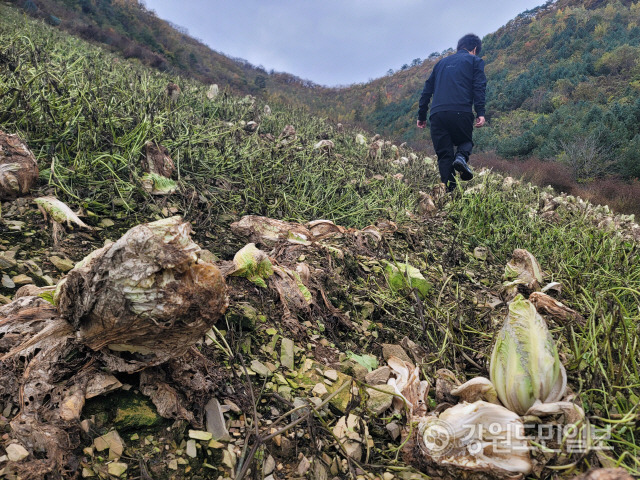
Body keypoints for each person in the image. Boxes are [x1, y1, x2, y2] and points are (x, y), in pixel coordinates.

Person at [416, 33, 487, 191]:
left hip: (437, 114)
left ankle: (450, 193)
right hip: (461, 111)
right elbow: (479, 87)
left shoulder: (441, 63)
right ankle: (461, 158)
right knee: (465, 142)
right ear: (474, 49)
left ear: (459, 46)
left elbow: (426, 91)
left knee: (444, 155)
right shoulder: (475, 61)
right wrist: (480, 112)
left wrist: (422, 115)